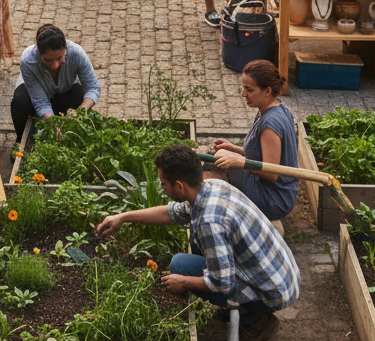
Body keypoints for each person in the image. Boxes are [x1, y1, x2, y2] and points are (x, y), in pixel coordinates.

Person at [96, 145, 299, 341]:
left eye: (164, 183)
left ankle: (255, 320)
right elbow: (169, 213)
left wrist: (183, 282)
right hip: (281, 274)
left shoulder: (209, 221)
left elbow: (222, 282)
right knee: (190, 257)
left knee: (181, 268)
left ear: (179, 186)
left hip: (272, 292)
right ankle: (248, 311)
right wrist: (122, 217)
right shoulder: (212, 186)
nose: (162, 187)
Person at [211, 60, 299, 222]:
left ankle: (223, 220)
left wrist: (240, 161)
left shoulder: (269, 124)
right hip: (281, 190)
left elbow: (271, 173)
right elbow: (266, 155)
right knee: (216, 163)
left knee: (212, 177)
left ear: (267, 91)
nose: (244, 94)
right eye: (244, 88)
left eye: (249, 89)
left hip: (273, 198)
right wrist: (234, 149)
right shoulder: (280, 108)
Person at [10, 24, 101, 138]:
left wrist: (80, 111)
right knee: (20, 100)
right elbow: (40, 101)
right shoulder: (28, 61)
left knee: (79, 93)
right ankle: (21, 139)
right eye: (48, 60)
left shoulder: (76, 53)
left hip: (65, 93)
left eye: (59, 58)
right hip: (34, 98)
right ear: (38, 52)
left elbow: (93, 87)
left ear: (65, 49)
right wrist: (51, 121)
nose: (55, 65)